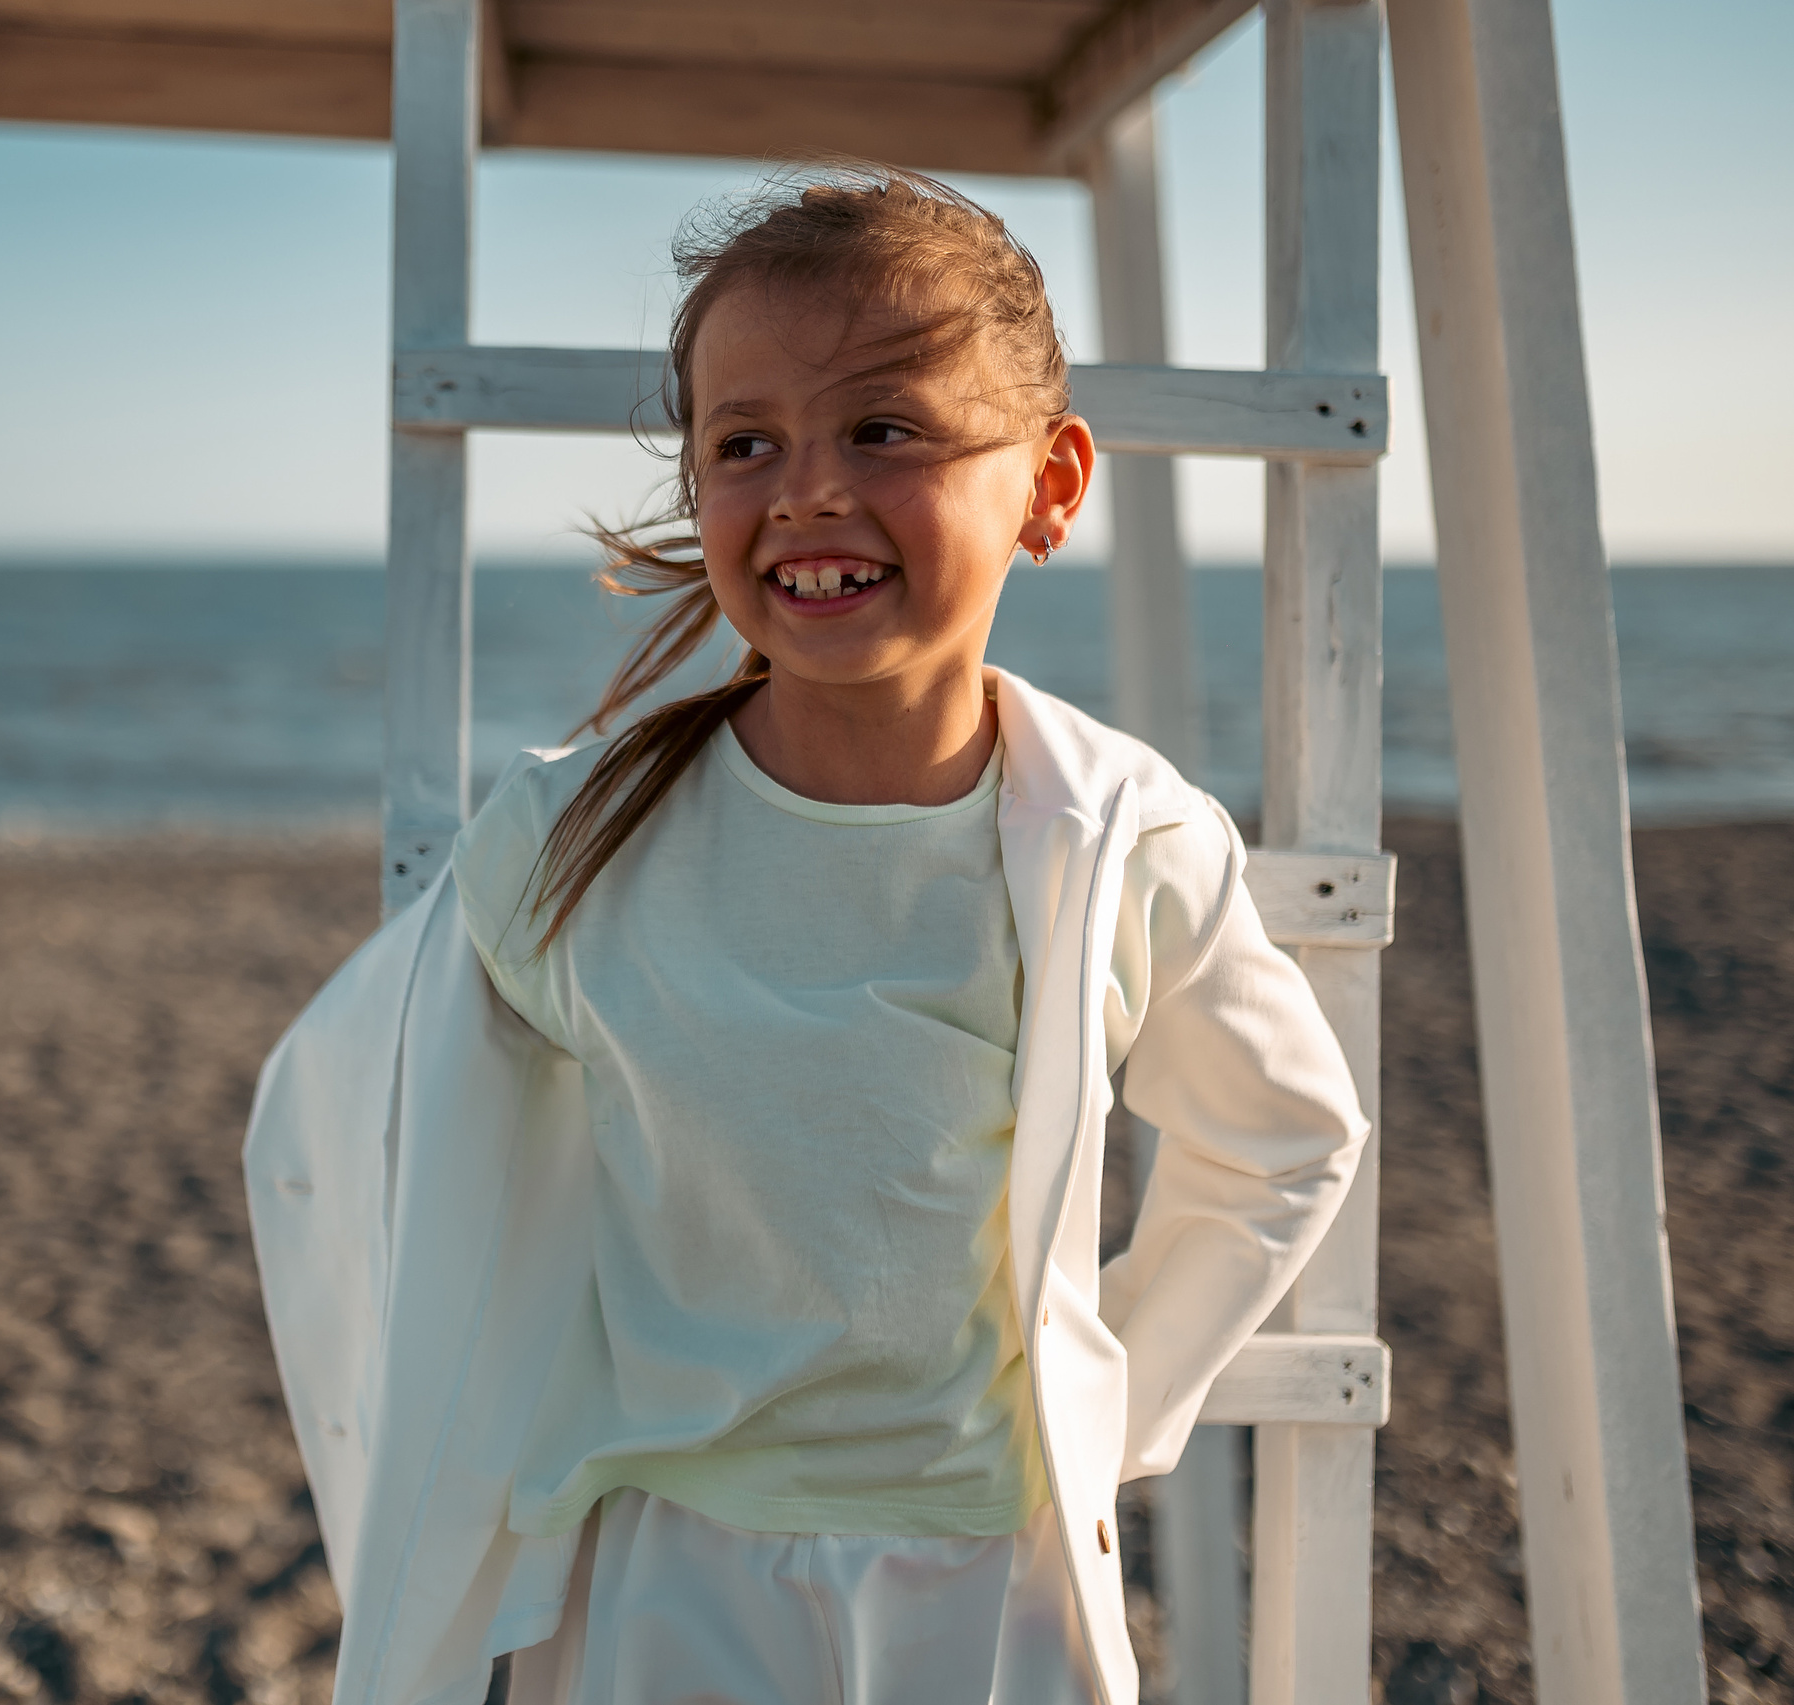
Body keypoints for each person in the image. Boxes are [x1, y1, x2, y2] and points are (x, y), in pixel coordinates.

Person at [245, 167, 1368, 1705]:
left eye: (884, 430)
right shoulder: (571, 839)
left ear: (1050, 482)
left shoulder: (1125, 839)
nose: (808, 490)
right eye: (745, 442)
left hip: (985, 1582)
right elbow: (346, 1124)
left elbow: (1284, 1139)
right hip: (663, 1569)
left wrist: (1108, 1405)